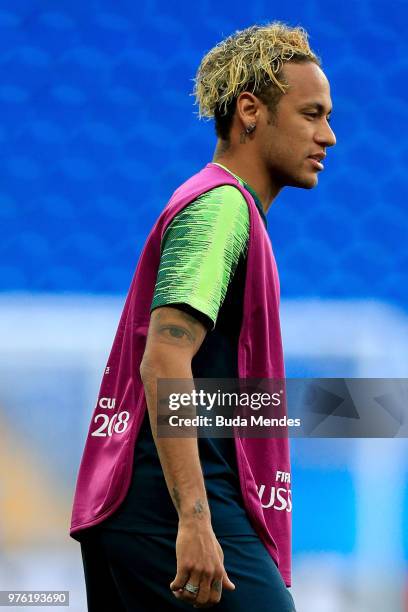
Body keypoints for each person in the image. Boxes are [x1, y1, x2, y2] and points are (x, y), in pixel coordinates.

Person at [71, 21, 336, 611]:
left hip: (138, 508)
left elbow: (217, 387)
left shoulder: (221, 206)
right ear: (250, 111)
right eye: (312, 114)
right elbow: (164, 356)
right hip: (171, 511)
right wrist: (194, 518)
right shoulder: (220, 209)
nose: (329, 135)